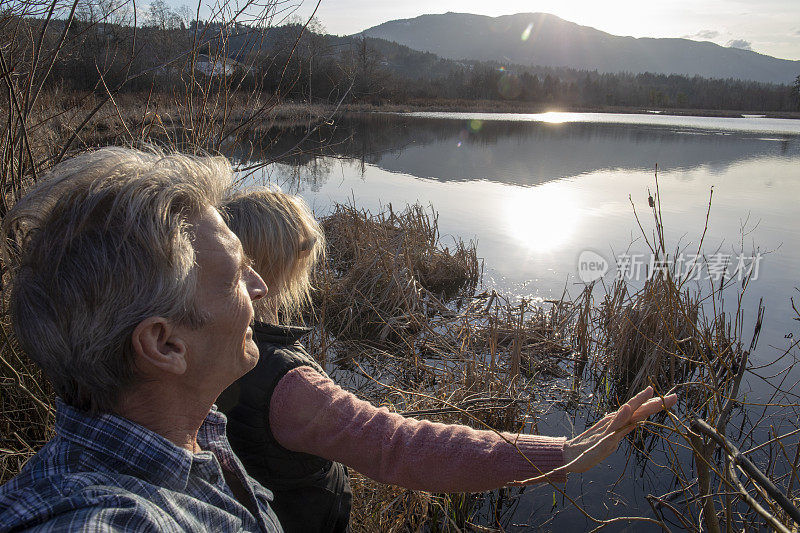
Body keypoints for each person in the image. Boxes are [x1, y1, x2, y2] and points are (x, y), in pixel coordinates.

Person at [217, 188, 678, 532]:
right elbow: (401, 446)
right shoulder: (285, 382)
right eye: (300, 258)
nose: (308, 268)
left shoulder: (201, 347)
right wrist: (562, 455)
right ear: (269, 265)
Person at [0, 148, 282, 531]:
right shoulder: (110, 519)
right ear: (164, 345)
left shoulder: (190, 434)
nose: (259, 287)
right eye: (235, 277)